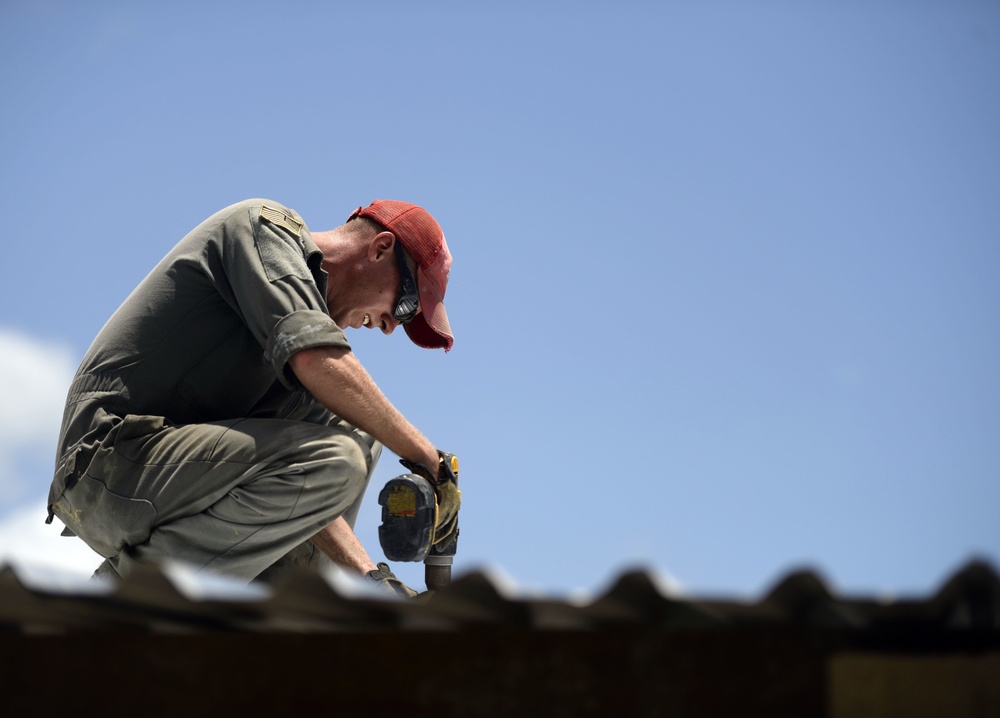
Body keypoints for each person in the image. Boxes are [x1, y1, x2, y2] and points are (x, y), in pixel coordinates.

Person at [46, 198, 454, 596]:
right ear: (381, 248)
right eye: (404, 306)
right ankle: (129, 601)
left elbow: (305, 497)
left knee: (353, 436)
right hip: (105, 460)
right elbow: (315, 357)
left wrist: (373, 581)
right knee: (340, 454)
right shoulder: (264, 230)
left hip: (178, 476)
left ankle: (270, 625)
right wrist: (429, 460)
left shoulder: (303, 373)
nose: (389, 327)